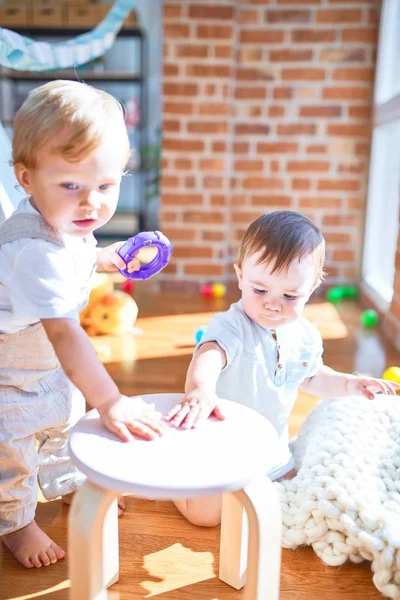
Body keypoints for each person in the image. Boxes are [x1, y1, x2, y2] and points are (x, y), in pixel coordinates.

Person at [0, 80, 166, 569]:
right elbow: (65, 333)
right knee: (15, 446)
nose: (91, 203)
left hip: (47, 369)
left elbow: (79, 255)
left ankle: (69, 486)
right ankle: (15, 521)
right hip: (12, 375)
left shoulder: (67, 225)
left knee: (63, 425)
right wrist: (111, 400)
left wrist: (111, 257)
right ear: (26, 179)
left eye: (106, 186)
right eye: (71, 185)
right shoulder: (31, 249)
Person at [164, 210, 399, 527]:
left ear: (313, 287)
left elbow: (313, 377)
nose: (272, 304)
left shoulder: (305, 336)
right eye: (259, 290)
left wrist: (349, 384)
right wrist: (200, 390)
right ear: (240, 276)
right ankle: (173, 481)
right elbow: (210, 354)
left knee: (290, 489)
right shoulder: (233, 326)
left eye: (290, 295)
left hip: (269, 447)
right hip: (220, 445)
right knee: (205, 517)